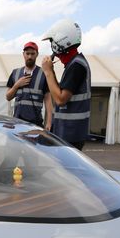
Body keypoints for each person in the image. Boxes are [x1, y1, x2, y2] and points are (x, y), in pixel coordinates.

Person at [41, 18, 91, 151]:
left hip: (71, 133)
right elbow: (59, 91)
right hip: (70, 131)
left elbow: (60, 99)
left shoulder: (76, 66)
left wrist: (47, 72)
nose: (52, 45)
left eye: (52, 41)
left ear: (61, 41)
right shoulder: (74, 64)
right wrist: (51, 71)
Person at [6, 41, 52, 129]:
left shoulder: (43, 74)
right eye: (27, 53)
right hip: (17, 124)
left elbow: (48, 101)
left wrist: (49, 122)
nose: (30, 56)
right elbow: (8, 97)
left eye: (32, 54)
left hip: (35, 125)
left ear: (37, 54)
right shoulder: (15, 73)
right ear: (23, 54)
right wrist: (16, 85)